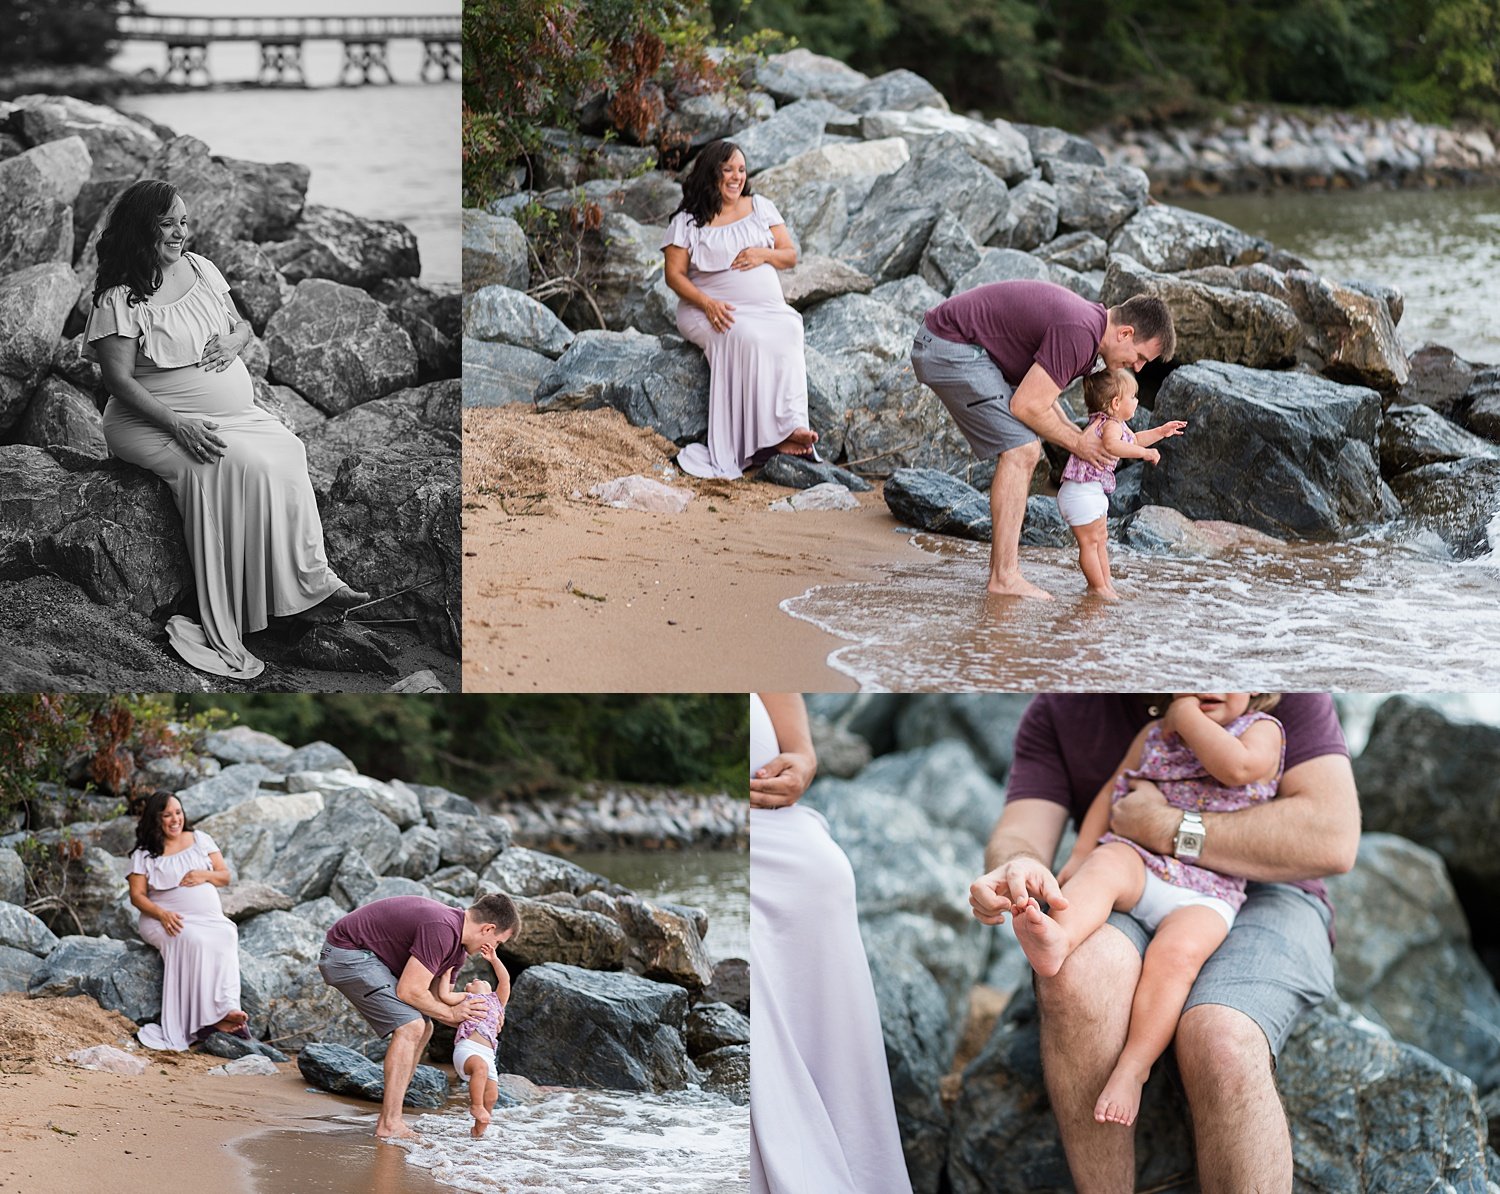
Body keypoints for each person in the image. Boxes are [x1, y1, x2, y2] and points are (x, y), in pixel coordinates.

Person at [968, 693, 1358, 1193]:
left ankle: (1138, 1069)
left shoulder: (1274, 691)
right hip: (1137, 870)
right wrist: (1019, 864)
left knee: (1220, 1038)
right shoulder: (1065, 700)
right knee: (1076, 976)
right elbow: (1022, 828)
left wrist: (1167, 828)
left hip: (1268, 891)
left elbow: (1332, 838)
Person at [85, 178, 368, 680]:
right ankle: (234, 614)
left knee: (288, 450)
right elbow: (118, 382)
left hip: (232, 414)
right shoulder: (119, 298)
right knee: (231, 464)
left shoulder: (201, 268)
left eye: (185, 222)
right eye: (168, 223)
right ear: (141, 228)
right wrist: (181, 425)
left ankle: (308, 586)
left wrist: (235, 345)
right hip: (150, 421)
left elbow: (241, 327)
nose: (180, 233)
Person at [1009, 693, 1284, 1127]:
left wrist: (1187, 716)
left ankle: (1133, 1068)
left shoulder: (1262, 729)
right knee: (1105, 866)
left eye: (1227, 677)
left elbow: (1237, 768)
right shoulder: (1153, 734)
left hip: (1209, 889)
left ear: (1257, 689)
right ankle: (1059, 940)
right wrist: (1082, 852)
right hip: (1142, 862)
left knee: (1177, 959)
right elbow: (1114, 789)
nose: (1208, 684)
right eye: (1192, 676)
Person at [910, 281, 1176, 599]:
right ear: (1125, 333)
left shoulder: (1089, 330)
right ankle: (1004, 577)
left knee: (1027, 445)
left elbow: (1043, 395)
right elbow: (1026, 405)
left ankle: (1004, 574)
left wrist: (1076, 438)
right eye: (1140, 356)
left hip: (957, 345)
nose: (1138, 367)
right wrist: (1077, 444)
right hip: (947, 346)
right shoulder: (1080, 332)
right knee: (1022, 450)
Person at [749, 693, 912, 1194]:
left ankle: (860, 1170)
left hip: (777, 820)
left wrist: (801, 750)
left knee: (824, 878)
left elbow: (764, 648)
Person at [661, 140, 819, 479]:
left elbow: (789, 255)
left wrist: (763, 255)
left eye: (742, 170)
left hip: (766, 308)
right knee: (745, 336)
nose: (736, 177)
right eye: (728, 169)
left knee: (790, 328)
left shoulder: (760, 206)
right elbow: (672, 275)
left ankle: (790, 426)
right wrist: (707, 303)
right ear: (711, 172)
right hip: (707, 308)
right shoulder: (688, 221)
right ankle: (767, 440)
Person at [318, 893, 521, 1140]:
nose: (492, 948)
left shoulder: (457, 949)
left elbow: (433, 999)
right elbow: (410, 991)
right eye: (497, 941)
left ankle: (392, 1117)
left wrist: (479, 1019)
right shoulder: (442, 927)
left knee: (425, 1028)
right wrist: (451, 1012)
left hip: (370, 960)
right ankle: (390, 1123)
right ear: (488, 928)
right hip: (345, 953)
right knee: (411, 1025)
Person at [126, 790, 247, 1050]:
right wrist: (162, 914)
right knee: (191, 939)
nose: (174, 819)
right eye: (167, 815)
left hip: (207, 918)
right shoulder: (144, 854)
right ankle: (206, 1019)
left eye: (178, 813)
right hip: (162, 918)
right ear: (155, 819)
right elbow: (136, 896)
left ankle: (226, 1008)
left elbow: (225, 876)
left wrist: (202, 874)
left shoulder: (200, 839)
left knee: (227, 933)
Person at [1055, 369, 1187, 599]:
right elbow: (1113, 446)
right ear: (1116, 403)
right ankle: (1098, 588)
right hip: (1080, 491)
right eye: (1133, 397)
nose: (1137, 401)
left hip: (1089, 491)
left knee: (1100, 540)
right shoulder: (1109, 426)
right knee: (1090, 543)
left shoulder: (1115, 424)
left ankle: (1105, 585)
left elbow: (1133, 439)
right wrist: (1144, 454)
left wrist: (1161, 432)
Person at [441, 941, 511, 1138]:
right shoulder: (466, 999)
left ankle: (478, 1131)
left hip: (489, 1055)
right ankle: (475, 1106)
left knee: (493, 1095)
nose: (475, 979)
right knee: (480, 1068)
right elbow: (444, 995)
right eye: (470, 982)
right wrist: (448, 972)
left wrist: (494, 960)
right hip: (467, 1050)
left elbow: (504, 980)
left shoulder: (498, 1001)